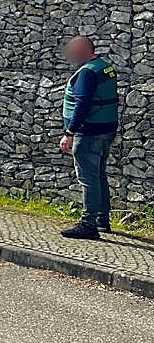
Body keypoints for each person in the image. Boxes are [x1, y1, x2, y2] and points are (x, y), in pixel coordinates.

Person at [58, 35, 119, 240]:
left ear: (83, 51)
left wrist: (69, 133)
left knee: (88, 178)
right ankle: (102, 220)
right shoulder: (104, 67)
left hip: (89, 133)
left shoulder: (86, 73)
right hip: (106, 129)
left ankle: (88, 224)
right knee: (98, 175)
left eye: (72, 51)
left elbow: (82, 104)